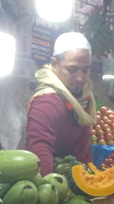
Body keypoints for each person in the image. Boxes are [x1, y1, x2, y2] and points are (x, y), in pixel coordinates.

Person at [26, 32, 96, 175]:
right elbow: (39, 153)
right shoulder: (47, 102)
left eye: (86, 70)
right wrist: (50, 191)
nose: (80, 78)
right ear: (54, 64)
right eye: (73, 69)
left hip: (75, 182)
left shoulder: (83, 98)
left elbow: (82, 148)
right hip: (55, 185)